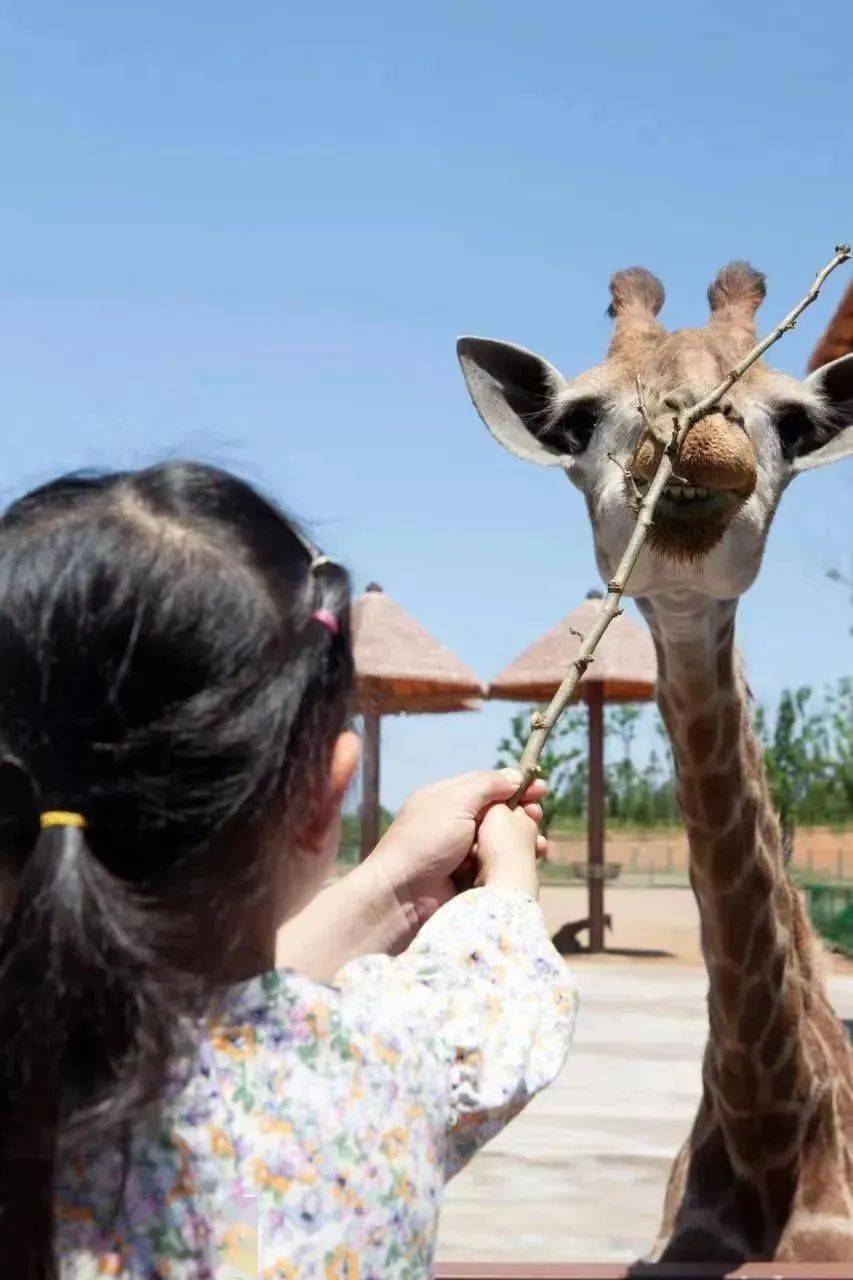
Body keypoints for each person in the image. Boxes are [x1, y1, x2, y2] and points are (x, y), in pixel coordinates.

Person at [0, 461, 578, 1280]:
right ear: (322, 793)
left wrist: (388, 887)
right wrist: (505, 875)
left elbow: (174, 1009)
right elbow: (501, 992)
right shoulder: (379, 1075)